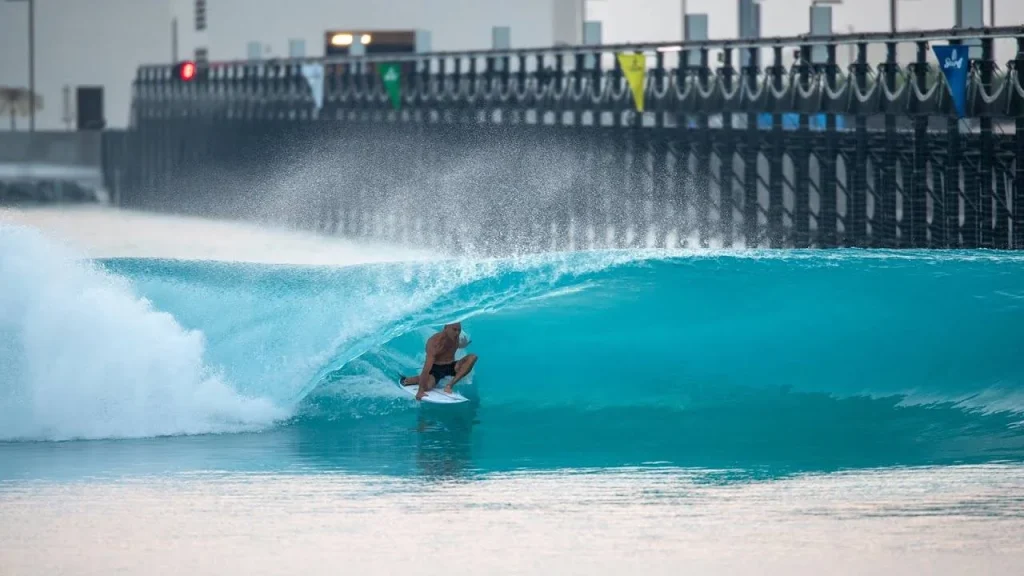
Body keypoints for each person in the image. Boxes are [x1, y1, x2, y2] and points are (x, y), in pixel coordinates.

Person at [399, 322, 478, 401]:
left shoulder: (456, 337)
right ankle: (415, 379)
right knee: (427, 387)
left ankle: (449, 385)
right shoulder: (434, 343)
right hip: (436, 369)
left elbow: (457, 345)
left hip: (451, 366)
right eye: (454, 330)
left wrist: (464, 345)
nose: (457, 333)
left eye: (459, 330)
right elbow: (426, 368)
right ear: (446, 328)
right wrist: (420, 390)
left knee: (473, 357)